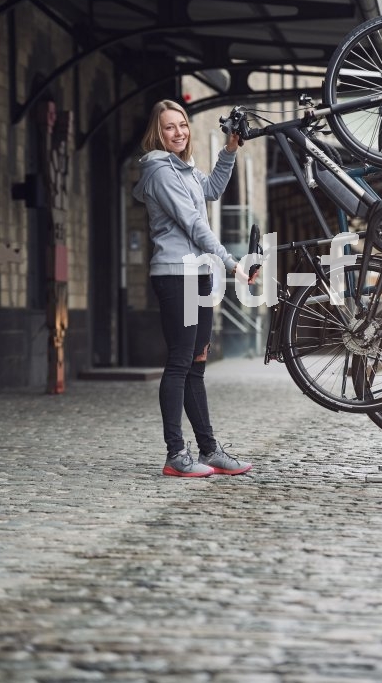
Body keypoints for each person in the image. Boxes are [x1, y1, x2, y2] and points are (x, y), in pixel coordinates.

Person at [133, 99, 254, 478]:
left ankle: (208, 449)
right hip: (176, 274)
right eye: (169, 127)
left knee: (196, 364)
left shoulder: (184, 169)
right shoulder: (161, 172)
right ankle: (175, 454)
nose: (178, 132)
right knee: (180, 361)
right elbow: (193, 226)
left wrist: (230, 150)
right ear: (158, 132)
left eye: (182, 124)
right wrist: (232, 262)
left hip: (198, 273)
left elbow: (214, 189)